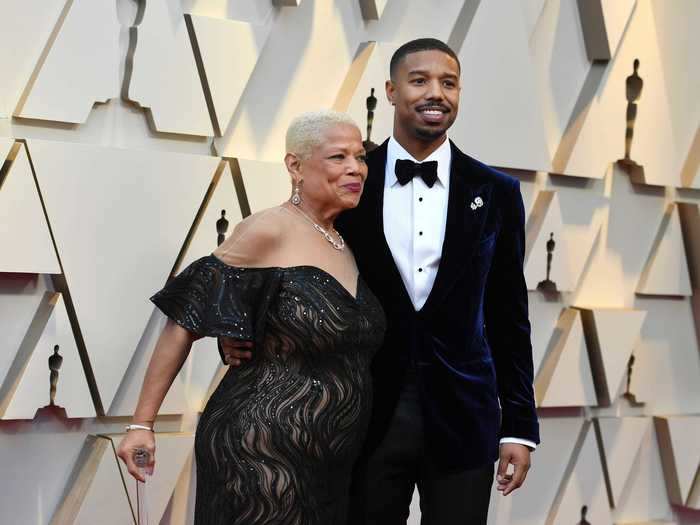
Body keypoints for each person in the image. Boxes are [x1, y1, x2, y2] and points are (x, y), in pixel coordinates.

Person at [225, 38, 540, 524]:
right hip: (360, 417)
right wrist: (240, 331)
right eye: (419, 81)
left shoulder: (497, 192)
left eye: (448, 82)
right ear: (391, 91)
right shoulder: (349, 182)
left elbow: (508, 315)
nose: (435, 92)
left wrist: (518, 426)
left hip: (464, 420)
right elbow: (295, 260)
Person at [116, 110, 386, 524]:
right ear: (295, 165)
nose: (355, 168)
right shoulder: (268, 229)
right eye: (338, 157)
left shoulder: (344, 241)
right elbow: (184, 319)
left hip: (330, 461)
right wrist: (141, 424)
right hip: (259, 448)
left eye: (360, 157)